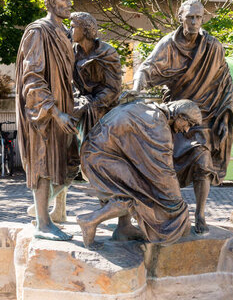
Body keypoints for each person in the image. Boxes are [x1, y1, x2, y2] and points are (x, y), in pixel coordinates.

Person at [127, 0, 233, 234]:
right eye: (189, 17)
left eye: (198, 17)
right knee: (162, 163)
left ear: (203, 19)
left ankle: (200, 214)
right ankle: (166, 211)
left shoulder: (213, 47)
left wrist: (225, 118)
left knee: (202, 161)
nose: (194, 21)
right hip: (176, 116)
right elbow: (146, 68)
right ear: (181, 18)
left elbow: (225, 84)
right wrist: (136, 90)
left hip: (205, 116)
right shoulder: (169, 44)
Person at [77, 100, 202, 249]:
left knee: (135, 183)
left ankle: (124, 229)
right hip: (99, 159)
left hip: (98, 152)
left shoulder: (148, 106)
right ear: (179, 116)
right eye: (188, 124)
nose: (187, 130)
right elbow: (163, 173)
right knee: (137, 195)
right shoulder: (158, 128)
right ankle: (90, 221)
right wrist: (177, 205)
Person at [15, 0, 79, 241]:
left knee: (68, 161)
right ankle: (43, 223)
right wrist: (53, 112)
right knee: (42, 161)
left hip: (66, 107)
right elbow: (32, 77)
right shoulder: (38, 32)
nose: (69, 3)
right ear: (51, 2)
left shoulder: (65, 32)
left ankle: (56, 212)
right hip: (44, 113)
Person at [45, 12, 123, 223]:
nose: (70, 31)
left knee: (96, 162)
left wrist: (89, 105)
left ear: (86, 30)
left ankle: (109, 211)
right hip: (78, 109)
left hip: (103, 113)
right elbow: (67, 83)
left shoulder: (107, 52)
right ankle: (58, 208)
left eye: (73, 27)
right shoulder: (71, 52)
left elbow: (113, 89)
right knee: (65, 156)